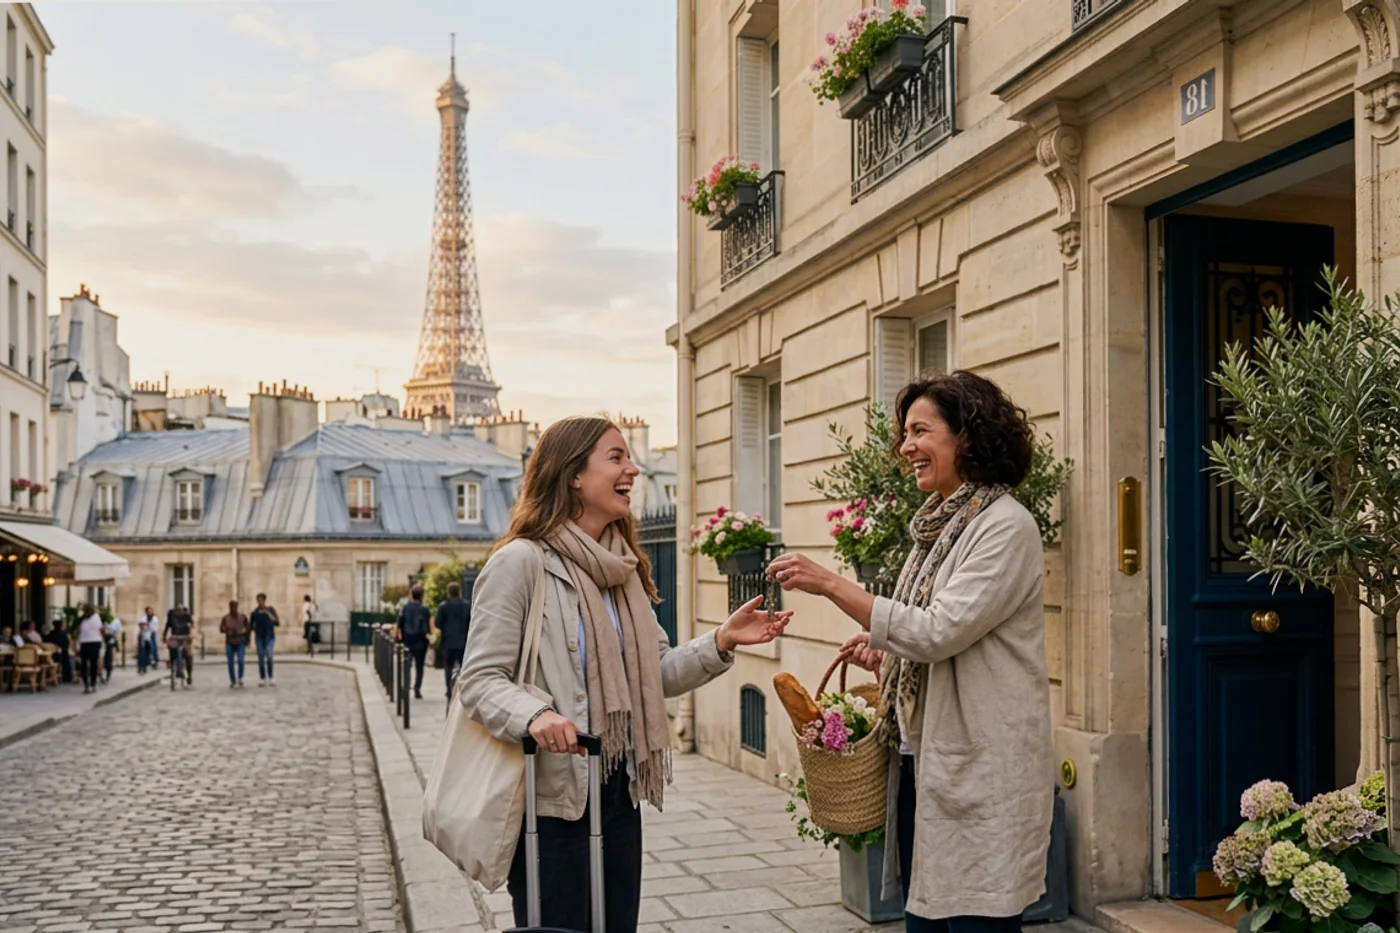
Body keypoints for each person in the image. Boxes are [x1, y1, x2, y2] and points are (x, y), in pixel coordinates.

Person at [460, 416, 791, 933]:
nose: (633, 469)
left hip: (618, 787)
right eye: (615, 458)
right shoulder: (521, 564)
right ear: (572, 474)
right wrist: (535, 715)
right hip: (552, 799)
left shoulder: (623, 568)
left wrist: (720, 641)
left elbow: (653, 675)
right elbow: (479, 681)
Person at [765, 371, 1054, 933]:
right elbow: (928, 632)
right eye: (905, 433)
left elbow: (939, 630)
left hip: (981, 764)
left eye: (920, 430)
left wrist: (830, 583)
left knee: (977, 918)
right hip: (924, 765)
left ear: (966, 437)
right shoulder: (938, 528)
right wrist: (886, 652)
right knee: (926, 919)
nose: (905, 447)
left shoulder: (1005, 527)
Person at [434, 581, 470, 698]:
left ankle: (449, 688)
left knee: (448, 667)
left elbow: (437, 623)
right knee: (464, 667)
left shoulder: (443, 606)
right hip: (463, 641)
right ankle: (464, 689)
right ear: (459, 592)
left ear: (448, 592)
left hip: (448, 641)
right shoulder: (467, 605)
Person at [397, 586, 430, 700]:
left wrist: (400, 637)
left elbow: (400, 623)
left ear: (411, 595)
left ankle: (406, 686)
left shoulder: (405, 608)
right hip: (420, 640)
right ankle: (417, 688)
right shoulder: (424, 609)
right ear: (422, 595)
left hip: (408, 639)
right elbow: (427, 626)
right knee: (420, 666)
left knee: (407, 664)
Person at [219, 600, 250, 688]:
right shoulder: (226, 618)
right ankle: (232, 680)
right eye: (232, 607)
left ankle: (240, 677)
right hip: (230, 642)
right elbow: (221, 628)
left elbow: (248, 628)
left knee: (241, 660)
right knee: (230, 662)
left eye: (235, 607)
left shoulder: (243, 617)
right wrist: (227, 631)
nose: (234, 609)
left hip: (240, 641)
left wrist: (247, 639)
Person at [251, 593, 279, 687]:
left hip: (269, 637)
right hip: (259, 637)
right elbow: (251, 626)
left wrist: (268, 614)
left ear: (264, 600)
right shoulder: (255, 612)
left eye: (261, 600)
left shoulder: (270, 610)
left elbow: (276, 622)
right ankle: (262, 677)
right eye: (258, 600)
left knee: (270, 656)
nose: (259, 602)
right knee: (261, 658)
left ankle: (271, 677)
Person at [76, 604, 105, 694]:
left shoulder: (83, 620)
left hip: (84, 643)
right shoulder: (96, 617)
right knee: (93, 665)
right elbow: (101, 629)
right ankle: (93, 685)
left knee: (84, 665)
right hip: (95, 642)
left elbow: (78, 631)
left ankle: (86, 686)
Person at [164, 605, 194, 687]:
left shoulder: (187, 616)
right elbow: (167, 627)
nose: (180, 612)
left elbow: (190, 626)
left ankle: (189, 674)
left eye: (181, 610)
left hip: (185, 637)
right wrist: (164, 637)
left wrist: (190, 635)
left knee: (188, 655)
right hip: (175, 637)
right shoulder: (172, 617)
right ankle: (173, 666)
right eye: (178, 610)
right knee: (172, 650)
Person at [100, 613, 122, 684]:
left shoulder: (114, 621)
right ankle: (102, 675)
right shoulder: (99, 620)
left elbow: (117, 632)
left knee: (108, 659)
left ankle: (107, 676)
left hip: (109, 641)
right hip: (101, 640)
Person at [138, 606, 161, 673]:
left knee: (153, 648)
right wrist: (144, 626)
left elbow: (154, 628)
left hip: (152, 634)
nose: (149, 613)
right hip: (144, 635)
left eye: (151, 611)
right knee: (143, 651)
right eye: (148, 611)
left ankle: (154, 661)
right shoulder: (143, 618)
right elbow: (141, 626)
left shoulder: (155, 619)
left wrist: (147, 626)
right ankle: (143, 665)